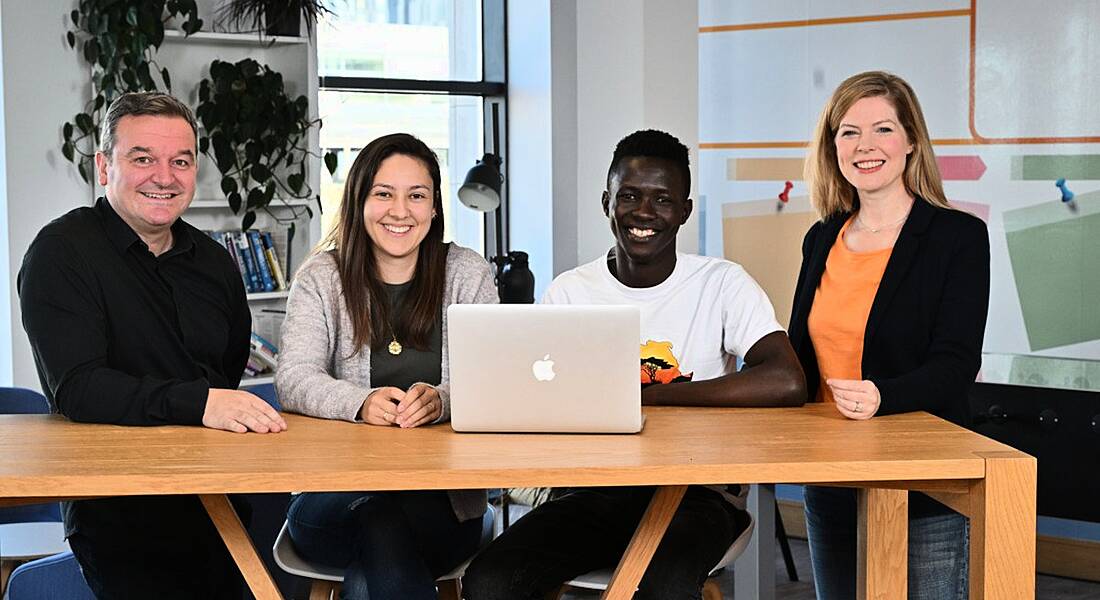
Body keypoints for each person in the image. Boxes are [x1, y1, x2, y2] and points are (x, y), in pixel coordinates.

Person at [463, 129, 806, 600]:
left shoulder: (722, 283)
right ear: (607, 202)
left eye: (663, 199)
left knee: (662, 588)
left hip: (699, 496)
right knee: (490, 581)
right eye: (629, 196)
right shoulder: (570, 291)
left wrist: (651, 395)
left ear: (684, 210)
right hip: (593, 491)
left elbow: (787, 380)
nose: (644, 213)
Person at [17, 92, 287, 599]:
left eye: (180, 161)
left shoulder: (214, 262)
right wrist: (200, 403)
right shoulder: (60, 253)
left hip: (218, 498)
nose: (164, 177)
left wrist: (210, 403)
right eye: (142, 158)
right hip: (119, 510)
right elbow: (79, 389)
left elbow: (226, 369)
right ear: (103, 166)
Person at [788, 71, 990, 599]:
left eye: (882, 129)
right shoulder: (821, 237)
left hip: (922, 478)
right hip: (830, 474)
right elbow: (801, 355)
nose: (865, 146)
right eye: (849, 132)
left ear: (911, 141)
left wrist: (884, 396)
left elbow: (956, 361)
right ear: (832, 148)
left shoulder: (958, 237)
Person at [275, 133, 497, 599]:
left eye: (416, 195)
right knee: (380, 521)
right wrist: (359, 402)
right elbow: (294, 377)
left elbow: (493, 380)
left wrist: (442, 400)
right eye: (384, 194)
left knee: (373, 564)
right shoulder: (322, 278)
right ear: (359, 201)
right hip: (333, 499)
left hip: (444, 508)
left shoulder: (466, 273)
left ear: (434, 207)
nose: (401, 211)